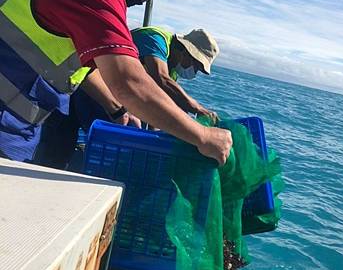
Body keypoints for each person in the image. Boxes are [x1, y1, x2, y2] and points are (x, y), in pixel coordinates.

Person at [0, 0, 231, 165]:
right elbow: (127, 82)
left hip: (17, 119)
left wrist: (115, 107)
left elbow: (81, 65)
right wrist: (202, 136)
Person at [34, 26, 221, 169]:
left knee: (129, 133)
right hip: (86, 88)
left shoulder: (172, 72)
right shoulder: (156, 39)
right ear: (184, 50)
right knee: (56, 148)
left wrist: (153, 138)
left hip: (113, 101)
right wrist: (195, 107)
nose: (194, 71)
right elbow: (160, 78)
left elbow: (156, 108)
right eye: (195, 65)